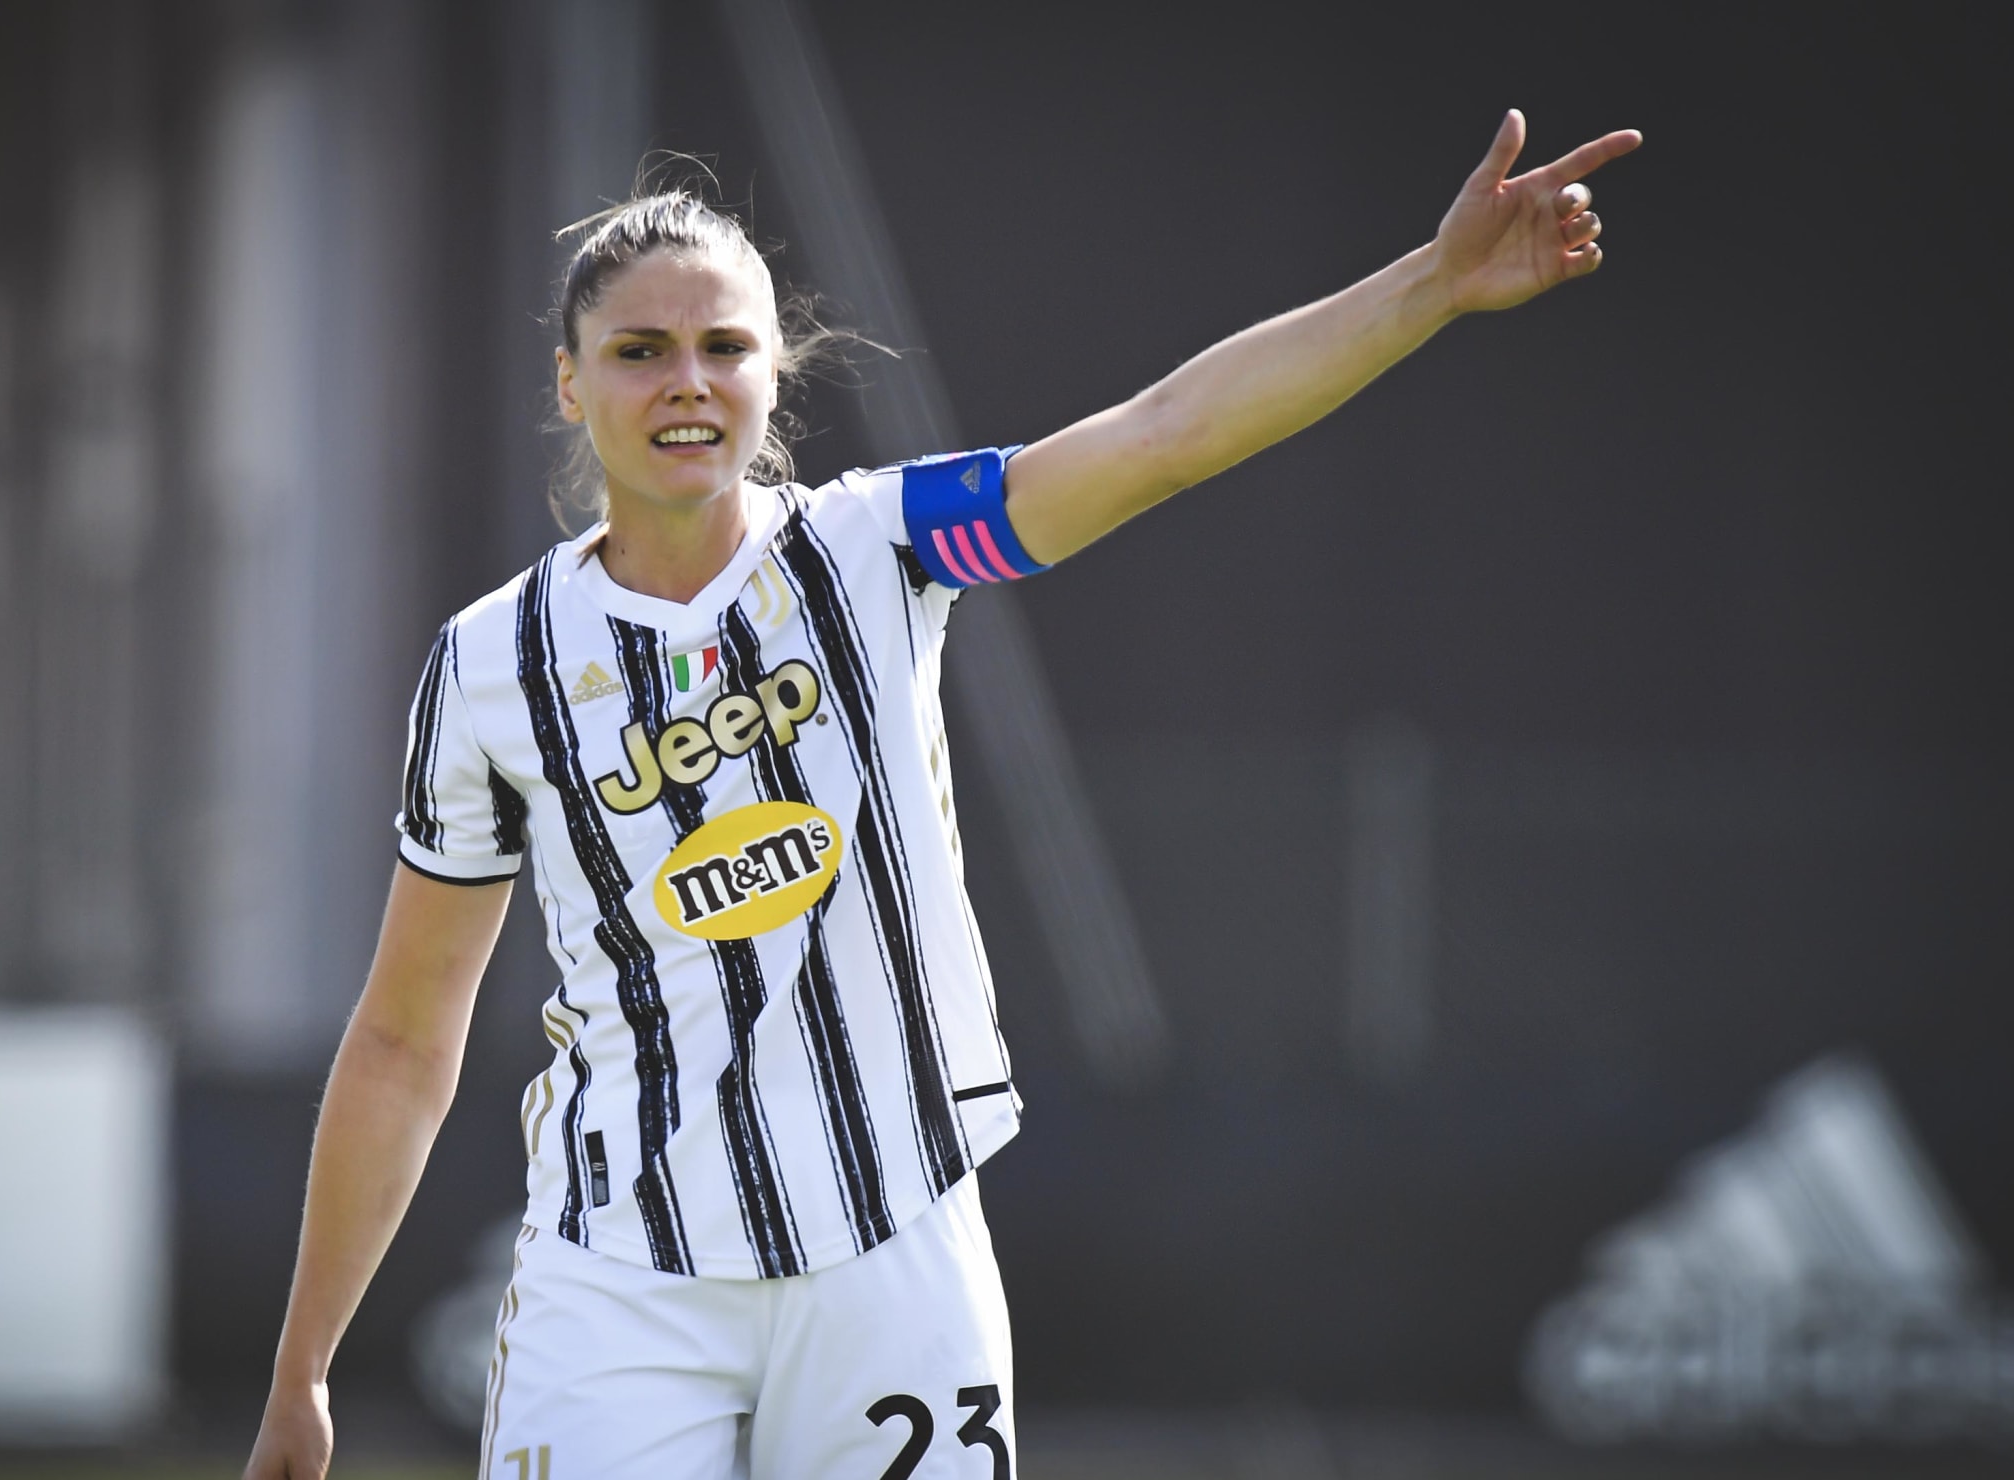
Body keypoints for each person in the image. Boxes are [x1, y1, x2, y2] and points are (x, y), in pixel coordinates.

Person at [243, 108, 1641, 1480]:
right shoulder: (490, 666)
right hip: (622, 1279)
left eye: (726, 347)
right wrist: (303, 1368)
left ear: (776, 371)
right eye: (639, 351)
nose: (687, 382)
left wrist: (1432, 285)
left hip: (893, 1251)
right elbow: (405, 1039)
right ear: (569, 384)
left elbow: (1165, 433)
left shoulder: (887, 548)